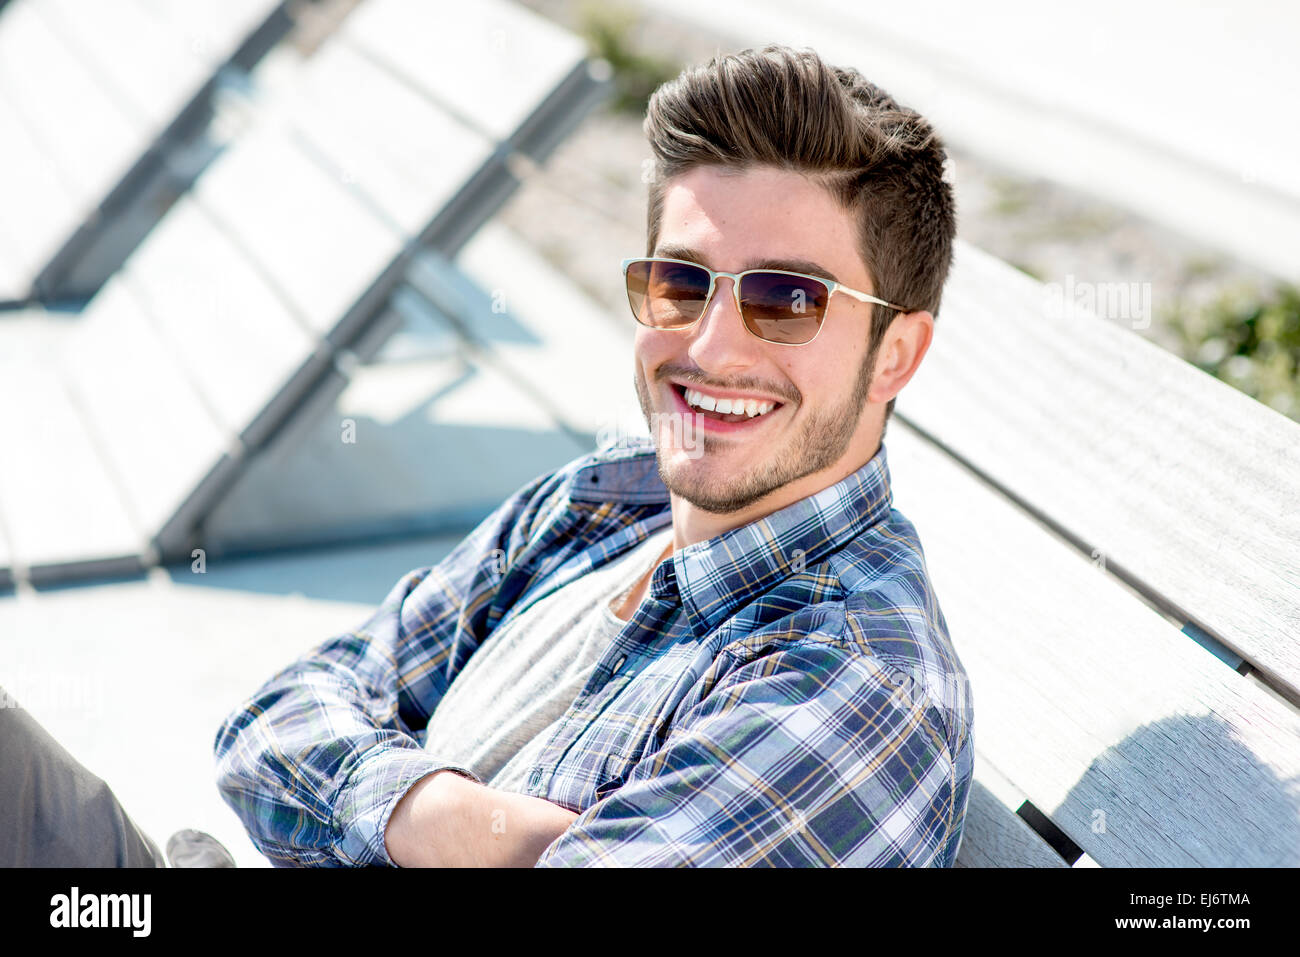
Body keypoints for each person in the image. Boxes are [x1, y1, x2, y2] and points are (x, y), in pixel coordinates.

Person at [215, 44, 974, 867]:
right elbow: (270, 721)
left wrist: (369, 794)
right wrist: (451, 822)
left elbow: (303, 745)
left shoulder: (855, 683)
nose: (711, 347)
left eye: (786, 299)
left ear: (896, 353)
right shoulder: (602, 502)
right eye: (681, 284)